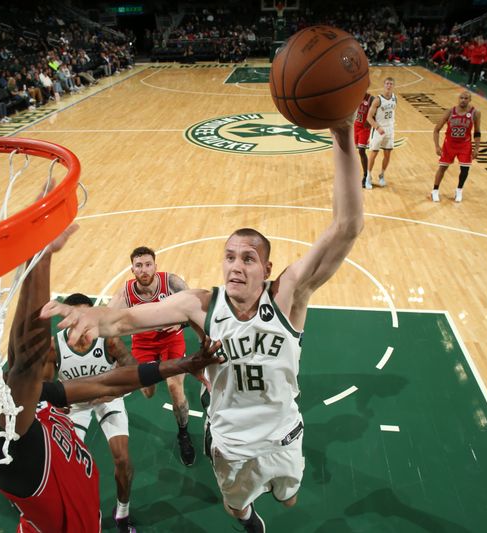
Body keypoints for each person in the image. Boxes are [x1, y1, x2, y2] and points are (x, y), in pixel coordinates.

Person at [42, 113, 364, 533]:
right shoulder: (200, 304)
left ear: (266, 268)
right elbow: (126, 318)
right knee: (236, 509)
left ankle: (274, 492)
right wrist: (92, 317)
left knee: (290, 498)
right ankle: (249, 519)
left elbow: (347, 225)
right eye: (229, 256)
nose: (236, 265)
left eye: (248, 258)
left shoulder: (288, 296)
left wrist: (343, 133)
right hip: (230, 442)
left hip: (284, 435)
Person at [0, 223, 223, 533]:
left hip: (91, 443)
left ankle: (123, 513)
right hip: (70, 517)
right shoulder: (7, 438)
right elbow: (25, 361)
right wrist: (39, 255)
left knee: (122, 459)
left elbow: (107, 384)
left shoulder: (29, 402)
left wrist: (182, 365)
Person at [53, 293, 138, 533]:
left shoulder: (107, 340)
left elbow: (134, 373)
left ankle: (122, 513)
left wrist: (115, 394)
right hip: (75, 405)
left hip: (106, 398)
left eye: (86, 314)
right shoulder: (55, 346)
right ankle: (77, 512)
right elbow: (42, 385)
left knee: (122, 459)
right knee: (64, 469)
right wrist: (55, 403)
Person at [108, 248, 196, 467]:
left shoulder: (172, 283)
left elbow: (196, 307)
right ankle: (150, 375)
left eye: (148, 264)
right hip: (143, 344)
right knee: (148, 392)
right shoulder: (126, 292)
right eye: (139, 266)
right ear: (132, 269)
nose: (144, 270)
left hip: (171, 340)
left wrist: (181, 323)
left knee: (175, 389)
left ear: (155, 266)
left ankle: (183, 434)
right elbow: (107, 319)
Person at [430, 91, 481, 203]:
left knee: (465, 169)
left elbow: (477, 132)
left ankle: (459, 190)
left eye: (466, 98)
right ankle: (435, 190)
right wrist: (437, 146)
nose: (463, 100)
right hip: (449, 144)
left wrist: (476, 148)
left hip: (465, 145)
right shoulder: (450, 112)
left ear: (470, 100)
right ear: (458, 99)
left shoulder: (475, 113)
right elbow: (436, 130)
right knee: (442, 168)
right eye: (461, 98)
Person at [364, 77, 396, 189]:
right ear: (384, 85)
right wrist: (377, 127)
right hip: (378, 130)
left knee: (388, 154)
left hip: (390, 129)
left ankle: (382, 175)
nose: (389, 85)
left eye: (391, 84)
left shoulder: (394, 98)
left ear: (393, 86)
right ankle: (368, 176)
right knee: (374, 154)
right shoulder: (378, 100)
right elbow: (369, 117)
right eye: (387, 83)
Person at [353, 91, 373, 187]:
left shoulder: (371, 98)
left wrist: (372, 121)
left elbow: (377, 112)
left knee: (361, 151)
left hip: (364, 128)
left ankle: (366, 175)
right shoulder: (355, 96)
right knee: (351, 151)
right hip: (355, 126)